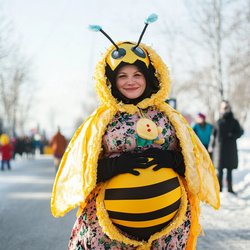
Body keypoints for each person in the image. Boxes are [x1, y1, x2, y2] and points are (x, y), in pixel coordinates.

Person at [51, 14, 220, 249]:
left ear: (149, 77)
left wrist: (171, 159)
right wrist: (115, 166)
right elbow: (83, 171)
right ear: (111, 81)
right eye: (123, 76)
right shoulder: (101, 120)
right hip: (108, 231)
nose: (130, 81)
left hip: (169, 232)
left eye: (137, 74)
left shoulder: (170, 117)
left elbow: (194, 165)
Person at [209, 100, 243, 194]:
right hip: (219, 150)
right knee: (219, 170)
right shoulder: (218, 121)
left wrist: (232, 135)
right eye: (223, 107)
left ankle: (230, 189)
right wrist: (211, 146)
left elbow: (240, 132)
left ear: (229, 108)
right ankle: (219, 189)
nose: (224, 109)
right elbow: (213, 135)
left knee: (229, 170)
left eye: (226, 107)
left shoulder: (234, 121)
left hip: (230, 149)